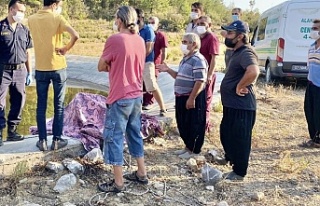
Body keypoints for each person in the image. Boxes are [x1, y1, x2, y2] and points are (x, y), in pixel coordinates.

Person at [97, 6, 148, 193]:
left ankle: (118, 182)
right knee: (134, 134)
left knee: (114, 138)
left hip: (120, 96)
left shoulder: (115, 39)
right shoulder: (140, 40)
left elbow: (101, 66)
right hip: (136, 95)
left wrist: (112, 65)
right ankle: (142, 173)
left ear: (120, 20)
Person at [28, 0, 79, 151]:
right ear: (55, 4)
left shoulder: (32, 19)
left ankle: (42, 141)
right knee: (58, 105)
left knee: (41, 105)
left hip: (41, 68)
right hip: (58, 67)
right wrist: (65, 48)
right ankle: (57, 140)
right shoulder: (58, 18)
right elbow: (75, 35)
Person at [219, 20, 259, 181]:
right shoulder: (236, 50)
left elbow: (253, 71)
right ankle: (231, 159)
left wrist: (240, 85)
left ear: (241, 36)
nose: (226, 36)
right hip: (231, 105)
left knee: (240, 139)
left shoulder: (246, 52)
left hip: (242, 106)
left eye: (230, 33)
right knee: (227, 134)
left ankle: (239, 172)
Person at [157, 33, 208, 159]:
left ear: (194, 44)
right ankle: (187, 147)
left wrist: (192, 98)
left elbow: (200, 81)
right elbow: (178, 76)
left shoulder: (198, 59)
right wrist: (168, 69)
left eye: (185, 42)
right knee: (183, 123)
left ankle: (194, 150)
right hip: (180, 96)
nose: (182, 44)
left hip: (190, 97)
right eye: (183, 41)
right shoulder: (185, 59)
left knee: (193, 123)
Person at [0, 0, 33, 147]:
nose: (22, 14)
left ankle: (12, 131)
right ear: (11, 9)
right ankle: (0, 133)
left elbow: (27, 52)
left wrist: (29, 72)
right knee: (0, 102)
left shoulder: (24, 29)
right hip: (3, 70)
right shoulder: (1, 27)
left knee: (19, 100)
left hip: (20, 70)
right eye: (20, 11)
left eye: (24, 12)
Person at [136, 9, 166, 116]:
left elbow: (148, 48)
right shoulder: (135, 30)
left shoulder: (148, 29)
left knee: (152, 86)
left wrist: (139, 59)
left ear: (140, 18)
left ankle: (162, 108)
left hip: (147, 62)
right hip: (135, 63)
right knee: (137, 87)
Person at [196, 16, 220, 132]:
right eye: (198, 23)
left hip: (206, 75)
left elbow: (214, 58)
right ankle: (198, 123)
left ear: (209, 25)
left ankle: (204, 126)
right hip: (198, 74)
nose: (199, 26)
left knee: (206, 100)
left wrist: (209, 75)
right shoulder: (201, 38)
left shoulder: (212, 38)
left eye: (202, 23)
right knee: (198, 100)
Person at [301, 19, 320, 148]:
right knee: (309, 110)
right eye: (313, 28)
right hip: (311, 84)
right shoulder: (312, 47)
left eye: (316, 28)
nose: (314, 31)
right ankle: (314, 137)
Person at [143, 16, 168, 107]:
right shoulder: (145, 33)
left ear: (158, 25)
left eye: (153, 23)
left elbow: (164, 50)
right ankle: (143, 101)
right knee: (144, 83)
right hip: (145, 61)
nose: (150, 24)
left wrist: (162, 62)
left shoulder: (160, 36)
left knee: (152, 83)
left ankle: (150, 102)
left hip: (155, 62)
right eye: (149, 22)